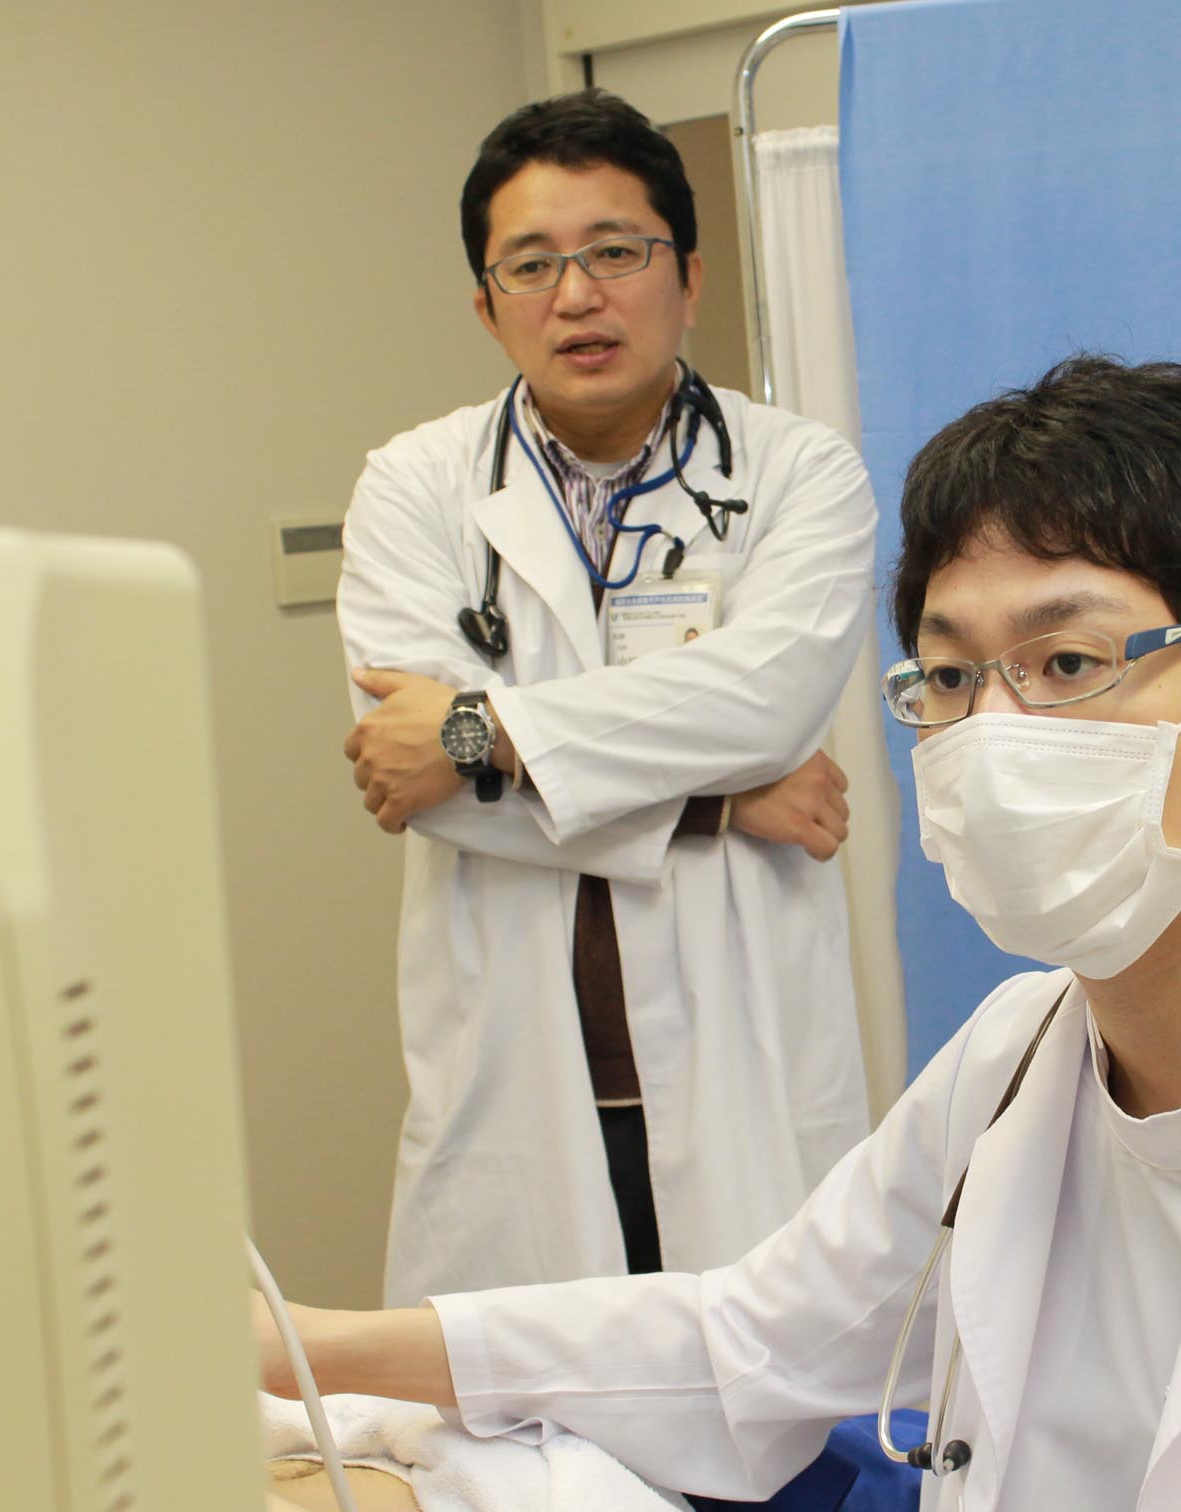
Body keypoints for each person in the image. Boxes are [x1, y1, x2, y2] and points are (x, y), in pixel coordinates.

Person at [275, 357, 1181, 1509]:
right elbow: (746, 1349)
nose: (992, 737)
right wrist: (305, 1350)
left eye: (1067, 662)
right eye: (947, 678)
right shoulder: (1018, 1059)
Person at [335, 91, 875, 1305]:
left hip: (740, 1057)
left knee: (764, 1389)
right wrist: (722, 807)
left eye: (615, 253)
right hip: (516, 1070)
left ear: (688, 278)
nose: (576, 295)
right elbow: (421, 786)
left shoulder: (799, 474)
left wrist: (478, 728)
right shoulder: (414, 487)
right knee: (519, 1406)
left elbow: (766, 706)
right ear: (487, 306)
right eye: (531, 265)